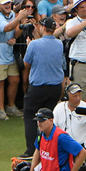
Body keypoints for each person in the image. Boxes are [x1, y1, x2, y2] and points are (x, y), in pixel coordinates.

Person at [21, 17, 67, 157]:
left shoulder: (34, 45)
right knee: (48, 117)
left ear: (43, 28)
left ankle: (31, 150)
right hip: (55, 88)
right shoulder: (59, 44)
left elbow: (26, 64)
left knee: (29, 115)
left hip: (38, 87)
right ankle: (49, 147)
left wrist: (30, 45)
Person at [0, 0, 29, 120]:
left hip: (8, 53)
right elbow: (7, 28)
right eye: (4, 3)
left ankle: (10, 106)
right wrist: (19, 18)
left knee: (14, 80)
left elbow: (15, 31)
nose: (7, 5)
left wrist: (18, 29)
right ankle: (1, 110)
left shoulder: (13, 16)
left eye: (9, 3)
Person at [53, 83, 86, 155]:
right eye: (75, 96)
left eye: (79, 95)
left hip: (82, 149)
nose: (78, 98)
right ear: (67, 96)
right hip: (63, 148)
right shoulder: (59, 107)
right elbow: (52, 127)